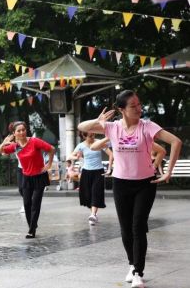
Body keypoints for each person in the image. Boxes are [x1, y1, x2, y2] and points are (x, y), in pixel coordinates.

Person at [78, 90, 181, 288]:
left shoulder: (148, 126)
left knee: (138, 227)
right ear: (121, 109)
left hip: (145, 184)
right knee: (125, 230)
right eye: (133, 106)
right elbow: (81, 126)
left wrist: (168, 172)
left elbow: (176, 141)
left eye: (139, 105)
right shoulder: (112, 128)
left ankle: (138, 273)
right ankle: (132, 263)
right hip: (121, 183)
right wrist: (97, 120)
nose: (138, 109)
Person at [0, 121, 55, 239]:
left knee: (35, 204)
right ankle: (32, 225)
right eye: (19, 131)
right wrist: (4, 142)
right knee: (27, 203)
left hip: (39, 176)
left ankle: (31, 230)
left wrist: (49, 164)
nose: (22, 132)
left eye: (23, 130)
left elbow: (51, 149)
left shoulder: (34, 141)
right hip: (26, 177)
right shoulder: (15, 146)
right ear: (14, 133)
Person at [68, 132, 113, 226]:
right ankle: (94, 213)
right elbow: (70, 156)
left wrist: (109, 168)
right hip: (86, 172)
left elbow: (111, 154)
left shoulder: (99, 143)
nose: (93, 137)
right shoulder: (81, 145)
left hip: (98, 172)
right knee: (87, 194)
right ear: (84, 136)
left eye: (94, 135)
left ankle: (93, 214)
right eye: (90, 136)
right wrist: (77, 156)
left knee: (96, 192)